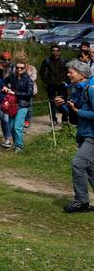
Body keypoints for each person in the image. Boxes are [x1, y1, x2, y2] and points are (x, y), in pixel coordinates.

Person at [55, 59, 94, 213]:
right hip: (84, 133)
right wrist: (63, 105)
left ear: (81, 74)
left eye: (71, 72)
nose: (68, 74)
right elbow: (72, 112)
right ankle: (82, 200)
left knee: (78, 164)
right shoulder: (78, 88)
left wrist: (79, 112)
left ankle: (81, 202)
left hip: (92, 135)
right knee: (90, 168)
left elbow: (81, 112)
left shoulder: (91, 89)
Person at [2, 62, 35, 152]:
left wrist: (15, 93)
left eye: (21, 68)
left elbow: (29, 94)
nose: (19, 69)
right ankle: (16, 144)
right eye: (17, 67)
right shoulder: (12, 76)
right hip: (12, 104)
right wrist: (5, 87)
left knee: (17, 127)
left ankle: (19, 147)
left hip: (23, 105)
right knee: (11, 127)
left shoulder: (28, 80)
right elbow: (3, 81)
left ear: (26, 68)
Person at [40, 45, 68, 127]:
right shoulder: (47, 60)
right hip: (51, 84)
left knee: (63, 102)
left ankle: (65, 119)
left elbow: (68, 71)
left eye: (57, 50)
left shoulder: (64, 61)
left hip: (62, 85)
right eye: (53, 50)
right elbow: (42, 72)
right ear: (51, 51)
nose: (55, 52)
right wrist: (46, 81)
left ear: (59, 51)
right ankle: (53, 119)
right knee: (52, 102)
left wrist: (66, 81)